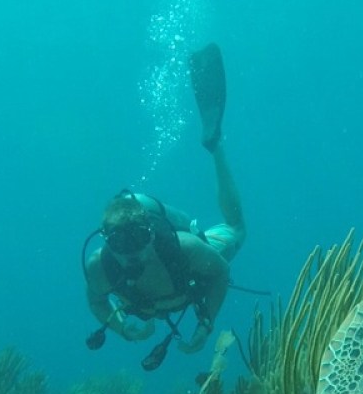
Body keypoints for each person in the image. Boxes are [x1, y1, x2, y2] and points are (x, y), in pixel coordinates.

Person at [82, 44, 245, 369]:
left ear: (151, 235)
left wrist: (206, 323)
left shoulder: (185, 248)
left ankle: (215, 147)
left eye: (138, 240)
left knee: (237, 229)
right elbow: (97, 301)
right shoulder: (100, 267)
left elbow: (220, 273)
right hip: (165, 298)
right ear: (106, 240)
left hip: (192, 255)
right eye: (119, 243)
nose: (130, 254)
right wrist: (119, 327)